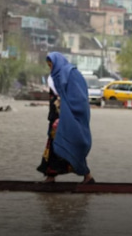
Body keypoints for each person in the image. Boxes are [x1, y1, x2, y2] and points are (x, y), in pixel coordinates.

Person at [37, 52, 95, 184]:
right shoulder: (53, 77)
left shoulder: (71, 74)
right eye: (49, 65)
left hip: (67, 118)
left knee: (71, 144)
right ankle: (51, 176)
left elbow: (79, 97)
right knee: (53, 146)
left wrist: (65, 109)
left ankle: (87, 175)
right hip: (56, 119)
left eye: (51, 65)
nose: (50, 68)